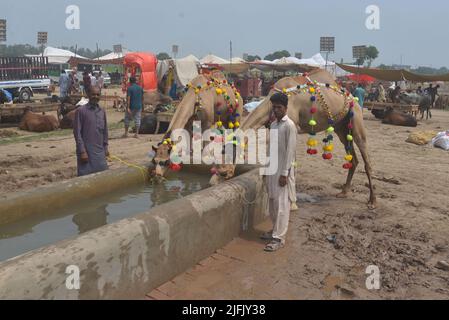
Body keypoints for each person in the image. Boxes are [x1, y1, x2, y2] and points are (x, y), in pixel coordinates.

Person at [262, 92, 297, 252]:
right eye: (274, 107)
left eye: (279, 107)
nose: (276, 110)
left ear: (286, 108)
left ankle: (279, 238)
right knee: (273, 202)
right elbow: (271, 149)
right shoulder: (274, 125)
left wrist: (285, 173)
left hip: (283, 171)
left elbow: (290, 152)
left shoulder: (289, 125)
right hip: (272, 169)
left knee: (282, 205)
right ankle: (274, 230)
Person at [73, 86, 109, 177]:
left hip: (100, 152)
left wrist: (106, 147)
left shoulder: (102, 111)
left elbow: (105, 132)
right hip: (86, 153)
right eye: (93, 94)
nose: (95, 96)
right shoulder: (81, 111)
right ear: (88, 95)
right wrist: (82, 151)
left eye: (98, 94)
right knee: (85, 178)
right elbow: (77, 133)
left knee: (102, 176)